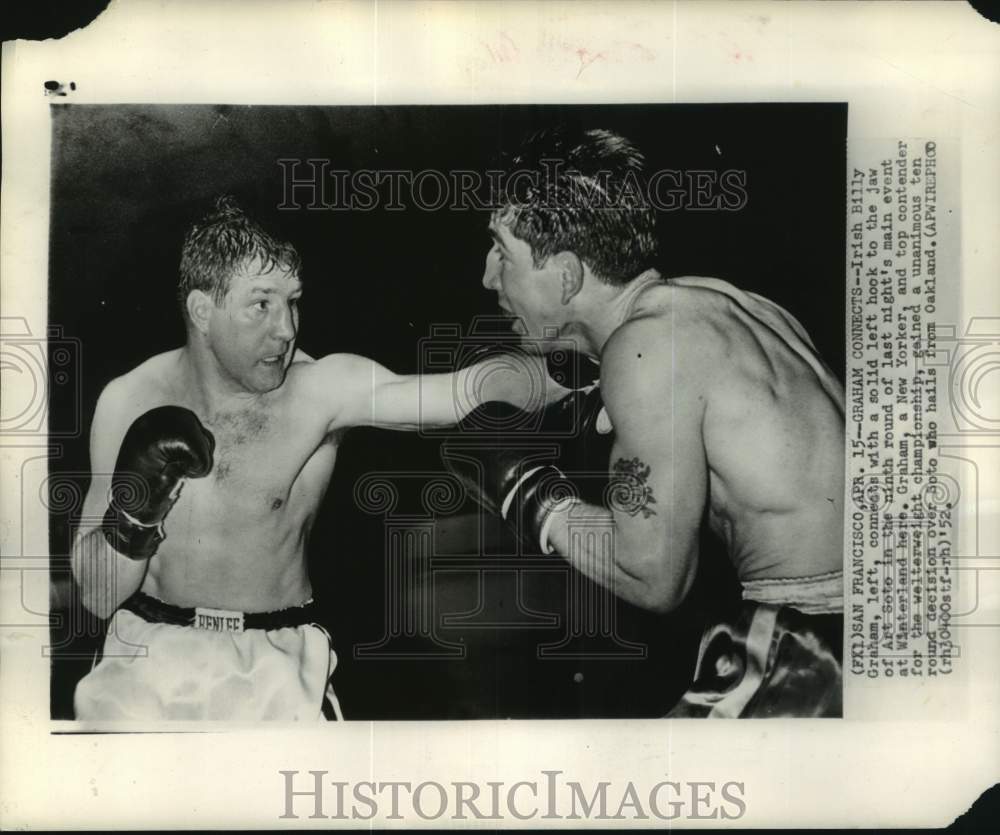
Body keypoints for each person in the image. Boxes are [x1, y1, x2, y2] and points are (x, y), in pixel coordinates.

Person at [71, 196, 560, 721]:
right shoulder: (130, 400)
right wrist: (135, 510)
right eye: (262, 304)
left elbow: (462, 392)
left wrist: (583, 370)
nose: (286, 329)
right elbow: (98, 597)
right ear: (201, 311)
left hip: (274, 664)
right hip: (146, 656)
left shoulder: (319, 391)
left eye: (293, 302)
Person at [443, 128, 846, 718]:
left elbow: (652, 575)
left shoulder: (645, 351)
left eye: (502, 252)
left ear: (567, 275)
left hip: (811, 642)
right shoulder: (722, 304)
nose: (487, 276)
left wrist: (524, 493)